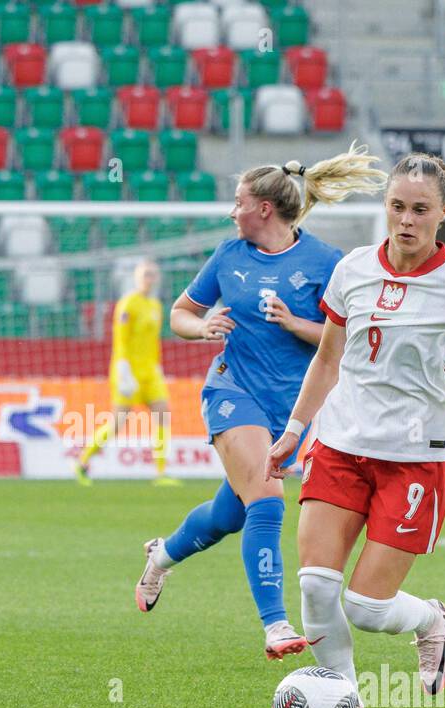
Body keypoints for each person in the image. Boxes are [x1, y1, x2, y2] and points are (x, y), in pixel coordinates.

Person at [266, 152, 445, 708]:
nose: (406, 220)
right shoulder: (352, 270)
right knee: (318, 588)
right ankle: (346, 705)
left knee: (367, 608)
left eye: (420, 209)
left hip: (415, 459)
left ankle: (428, 619)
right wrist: (294, 430)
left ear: (443, 213)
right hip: (341, 444)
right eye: (397, 206)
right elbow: (328, 357)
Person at [134, 144, 389, 660]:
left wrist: (296, 324)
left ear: (264, 209)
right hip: (232, 392)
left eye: (237, 201)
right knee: (268, 502)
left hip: (289, 411)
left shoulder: (326, 262)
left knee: (229, 514)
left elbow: (349, 339)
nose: (232, 211)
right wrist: (201, 326)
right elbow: (180, 313)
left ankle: (161, 556)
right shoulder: (228, 257)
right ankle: (275, 625)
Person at [76, 260, 180, 486]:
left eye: (152, 274)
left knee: (163, 413)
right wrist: (123, 369)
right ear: (136, 278)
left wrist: (157, 366)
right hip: (127, 370)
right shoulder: (128, 304)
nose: (149, 279)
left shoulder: (155, 305)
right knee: (118, 422)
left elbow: (152, 342)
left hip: (150, 371)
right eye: (145, 275)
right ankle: (83, 461)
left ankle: (161, 473)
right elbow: (120, 340)